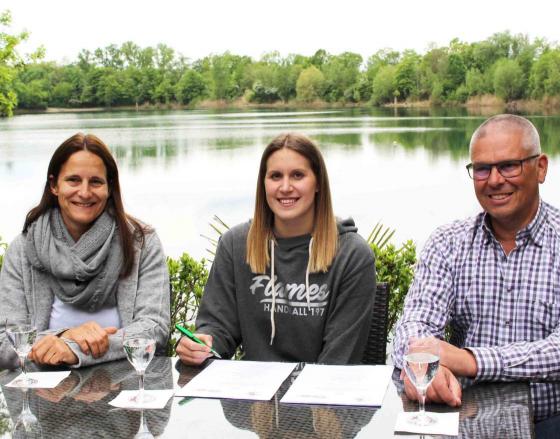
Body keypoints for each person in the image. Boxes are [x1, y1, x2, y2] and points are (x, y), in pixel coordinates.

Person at [393, 114, 560, 438]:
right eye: (482, 169)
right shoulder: (448, 243)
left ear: (541, 167)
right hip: (469, 410)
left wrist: (471, 361)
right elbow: (413, 325)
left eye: (509, 166)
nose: (494, 180)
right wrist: (418, 365)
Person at [177, 133, 376, 365]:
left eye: (298, 175)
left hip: (323, 394)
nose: (285, 187)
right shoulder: (235, 244)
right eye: (275, 176)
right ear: (264, 184)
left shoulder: (352, 255)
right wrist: (200, 347)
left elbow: (339, 359)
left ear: (319, 182)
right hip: (251, 393)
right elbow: (218, 329)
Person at [0, 133, 170, 369]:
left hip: (128, 390)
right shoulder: (23, 249)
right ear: (54, 185)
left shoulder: (142, 243)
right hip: (44, 396)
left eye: (96, 182)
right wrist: (64, 336)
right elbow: (5, 343)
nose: (85, 192)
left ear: (109, 188)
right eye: (73, 180)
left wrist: (75, 349)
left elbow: (155, 328)